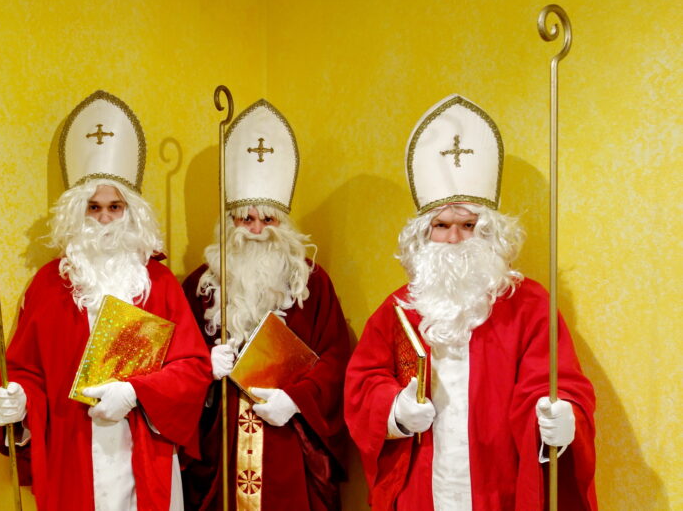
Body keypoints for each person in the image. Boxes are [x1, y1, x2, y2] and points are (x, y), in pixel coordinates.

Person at [344, 95, 597, 510]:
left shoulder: (528, 304)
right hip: (421, 488)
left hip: (501, 488)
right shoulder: (400, 308)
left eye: (468, 225)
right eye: (441, 225)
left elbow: (558, 382)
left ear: (489, 232)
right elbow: (363, 382)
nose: (454, 238)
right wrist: (395, 409)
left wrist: (563, 416)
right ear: (423, 235)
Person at [0, 90, 212, 511]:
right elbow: (26, 369)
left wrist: (136, 393)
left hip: (143, 453)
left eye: (115, 207)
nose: (105, 219)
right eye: (93, 208)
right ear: (77, 212)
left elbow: (193, 368)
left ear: (132, 212)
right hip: (72, 454)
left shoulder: (158, 283)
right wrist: (17, 399)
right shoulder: (48, 285)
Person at [180, 99, 351, 510]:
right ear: (230, 222)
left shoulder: (312, 283)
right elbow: (174, 363)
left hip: (291, 443)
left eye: (268, 220)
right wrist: (204, 367)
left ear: (283, 223)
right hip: (221, 449)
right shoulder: (201, 286)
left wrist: (297, 400)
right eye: (246, 219)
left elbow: (336, 359)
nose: (257, 230)